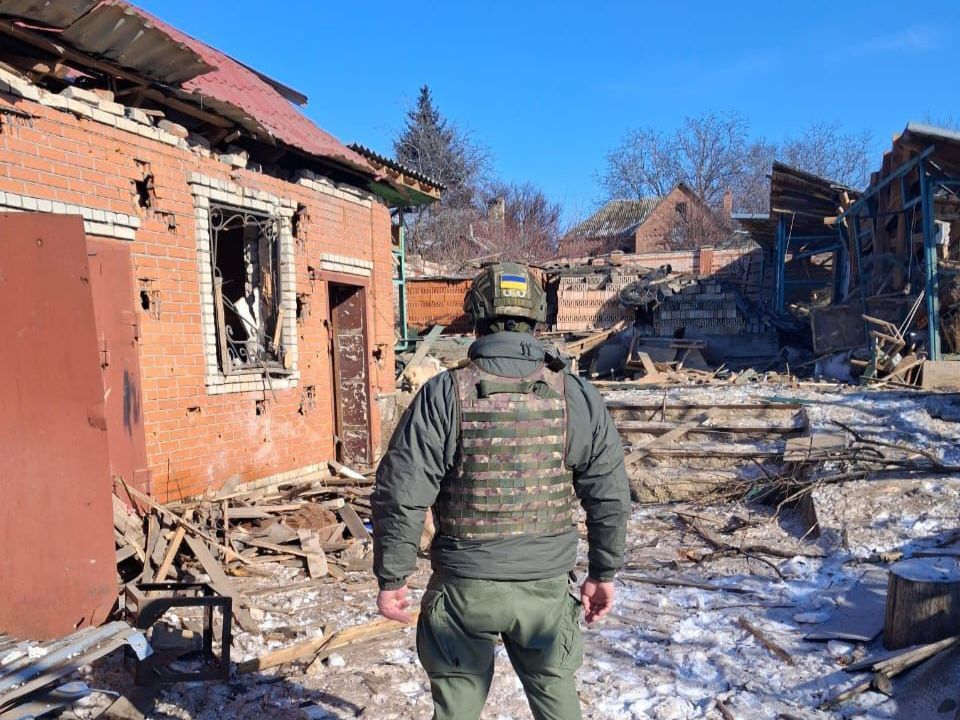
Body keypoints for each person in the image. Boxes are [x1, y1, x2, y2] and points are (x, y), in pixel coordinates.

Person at [372, 262, 630, 720]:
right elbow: (609, 492)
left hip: (464, 590)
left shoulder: (444, 394)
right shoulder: (575, 395)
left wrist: (393, 577)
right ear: (536, 315)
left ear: (476, 315)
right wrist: (603, 571)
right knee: (558, 703)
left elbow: (402, 491)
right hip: (546, 594)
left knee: (455, 710)